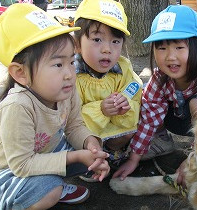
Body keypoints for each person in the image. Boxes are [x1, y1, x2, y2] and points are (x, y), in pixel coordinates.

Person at [0, 4, 110, 209]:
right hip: (0, 177)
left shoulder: (66, 89)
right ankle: (39, 194)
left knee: (91, 155)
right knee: (50, 191)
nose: (69, 73)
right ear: (21, 73)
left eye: (72, 62)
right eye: (58, 64)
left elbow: (74, 127)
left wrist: (90, 145)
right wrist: (75, 156)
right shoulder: (17, 106)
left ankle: (45, 186)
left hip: (39, 157)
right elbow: (22, 164)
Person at [112, 5, 197, 181]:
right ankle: (160, 140)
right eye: (161, 48)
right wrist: (133, 159)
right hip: (177, 120)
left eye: (179, 47)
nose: (170, 56)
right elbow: (149, 117)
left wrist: (194, 160)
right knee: (144, 99)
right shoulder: (160, 77)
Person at [73, 0, 142, 181]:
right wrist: (100, 110)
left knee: (132, 128)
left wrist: (126, 106)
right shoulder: (71, 73)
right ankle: (91, 162)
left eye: (115, 41)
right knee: (85, 140)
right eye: (97, 40)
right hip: (85, 133)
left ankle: (111, 154)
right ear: (77, 44)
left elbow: (135, 94)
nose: (107, 49)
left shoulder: (123, 68)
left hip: (113, 128)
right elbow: (70, 118)